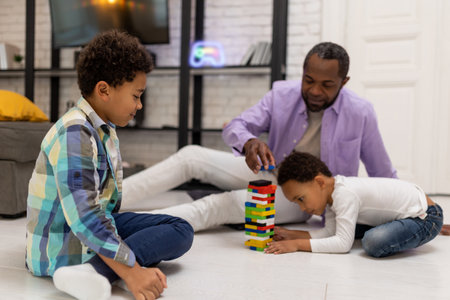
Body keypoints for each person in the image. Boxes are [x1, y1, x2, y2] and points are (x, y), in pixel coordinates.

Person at [122, 42, 397, 231]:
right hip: (271, 171)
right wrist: (249, 142)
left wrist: (418, 212)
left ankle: (127, 228)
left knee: (220, 205)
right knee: (191, 156)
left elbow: (382, 171)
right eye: (308, 80)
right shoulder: (281, 95)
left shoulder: (360, 112)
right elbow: (236, 126)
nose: (314, 91)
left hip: (304, 198)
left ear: (343, 82)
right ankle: (105, 204)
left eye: (327, 85)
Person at [26, 30, 194, 300]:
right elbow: (84, 216)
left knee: (181, 230)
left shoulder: (101, 128)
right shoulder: (74, 132)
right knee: (154, 243)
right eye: (136, 95)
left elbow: (102, 209)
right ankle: (92, 271)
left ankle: (94, 271)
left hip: (91, 231)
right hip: (64, 249)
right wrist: (133, 271)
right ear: (104, 90)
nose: (139, 105)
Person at [264, 152, 443, 257]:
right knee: (347, 231)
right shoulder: (331, 194)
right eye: (296, 203)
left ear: (319, 182)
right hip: (406, 213)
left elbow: (343, 244)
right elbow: (330, 232)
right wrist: (292, 234)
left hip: (425, 218)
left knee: (373, 241)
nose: (302, 208)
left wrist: (296, 245)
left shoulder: (344, 194)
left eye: (301, 198)